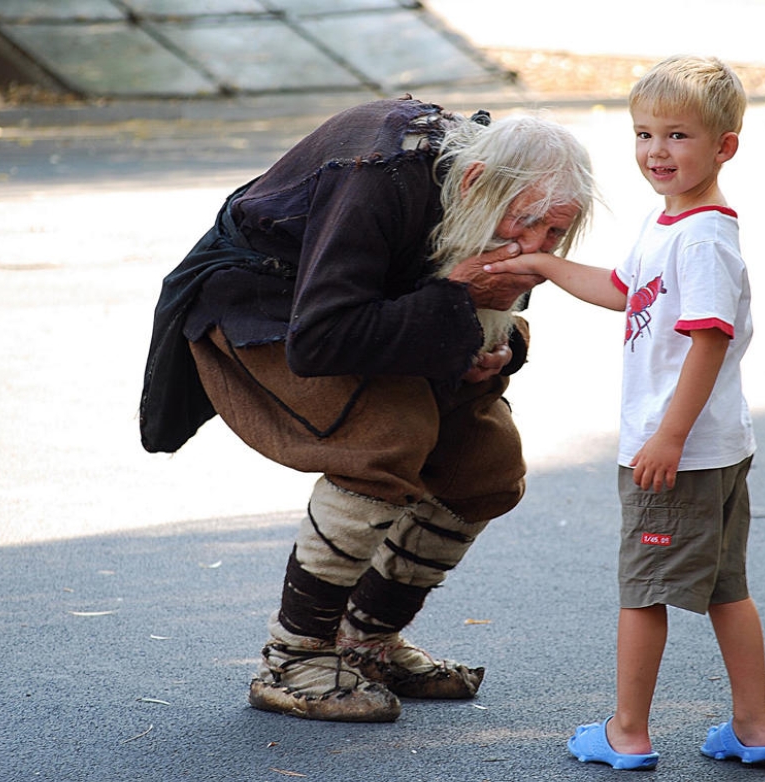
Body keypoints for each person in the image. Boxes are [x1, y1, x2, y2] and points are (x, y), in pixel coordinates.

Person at [139, 96, 595, 722]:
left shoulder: (488, 191)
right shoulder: (379, 173)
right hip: (267, 305)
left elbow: (474, 300)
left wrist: (497, 344)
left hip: (370, 311)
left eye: (555, 234)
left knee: (486, 464)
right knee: (386, 437)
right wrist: (455, 310)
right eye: (528, 224)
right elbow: (323, 337)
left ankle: (368, 643)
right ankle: (293, 660)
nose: (536, 250)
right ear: (474, 183)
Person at [485, 56, 765, 767]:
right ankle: (753, 727)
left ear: (724, 147)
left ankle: (627, 731)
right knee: (723, 589)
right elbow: (625, 290)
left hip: (677, 451)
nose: (656, 150)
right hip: (708, 448)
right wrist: (544, 268)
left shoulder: (703, 237)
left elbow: (707, 339)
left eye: (678, 135)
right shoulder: (670, 223)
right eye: (644, 133)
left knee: (641, 592)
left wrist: (666, 436)